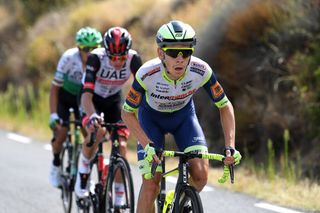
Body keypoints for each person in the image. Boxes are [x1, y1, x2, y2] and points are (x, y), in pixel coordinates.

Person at [121, 20, 242, 213]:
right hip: (151, 121)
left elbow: (225, 105)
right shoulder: (146, 74)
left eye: (186, 52)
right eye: (173, 53)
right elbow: (127, 112)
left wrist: (230, 146)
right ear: (160, 53)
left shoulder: (200, 70)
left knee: (201, 176)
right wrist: (146, 143)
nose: (180, 59)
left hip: (184, 119)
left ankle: (175, 201)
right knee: (151, 184)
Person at [75, 27, 143, 206]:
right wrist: (92, 117)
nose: (118, 61)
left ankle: (119, 196)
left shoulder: (133, 59)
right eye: (113, 57)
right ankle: (82, 174)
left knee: (120, 144)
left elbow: (145, 90)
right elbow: (86, 96)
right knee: (96, 132)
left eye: (122, 57)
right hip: (91, 99)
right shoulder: (95, 58)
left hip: (113, 99)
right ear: (107, 52)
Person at [49, 27, 102, 188]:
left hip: (84, 98)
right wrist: (53, 115)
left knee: (90, 135)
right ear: (79, 48)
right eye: (86, 49)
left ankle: (85, 175)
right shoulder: (68, 58)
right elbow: (54, 89)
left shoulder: (100, 60)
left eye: (95, 48)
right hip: (65, 97)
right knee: (62, 133)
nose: (90, 52)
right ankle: (56, 165)